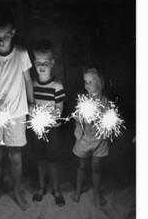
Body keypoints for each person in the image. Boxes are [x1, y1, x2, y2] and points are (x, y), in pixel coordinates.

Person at [0, 6, 34, 211]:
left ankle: (17, 192)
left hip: (18, 112)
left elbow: (28, 81)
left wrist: (31, 106)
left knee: (15, 156)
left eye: (5, 35)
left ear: (13, 33)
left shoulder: (21, 54)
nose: (0, 40)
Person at [30, 42, 66, 206]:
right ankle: (41, 187)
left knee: (53, 160)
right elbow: (30, 106)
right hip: (38, 130)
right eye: (38, 63)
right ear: (34, 63)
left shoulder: (57, 87)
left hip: (52, 131)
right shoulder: (32, 85)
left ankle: (56, 189)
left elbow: (59, 110)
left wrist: (46, 116)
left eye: (45, 63)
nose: (42, 66)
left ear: (52, 63)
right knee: (40, 159)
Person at [72, 67, 109, 207]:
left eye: (90, 82)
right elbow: (77, 117)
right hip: (84, 139)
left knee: (96, 167)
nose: (87, 85)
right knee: (81, 165)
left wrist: (101, 120)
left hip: (99, 141)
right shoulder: (83, 100)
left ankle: (97, 194)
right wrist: (80, 118)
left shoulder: (105, 102)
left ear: (99, 83)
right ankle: (78, 191)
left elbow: (109, 121)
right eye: (85, 82)